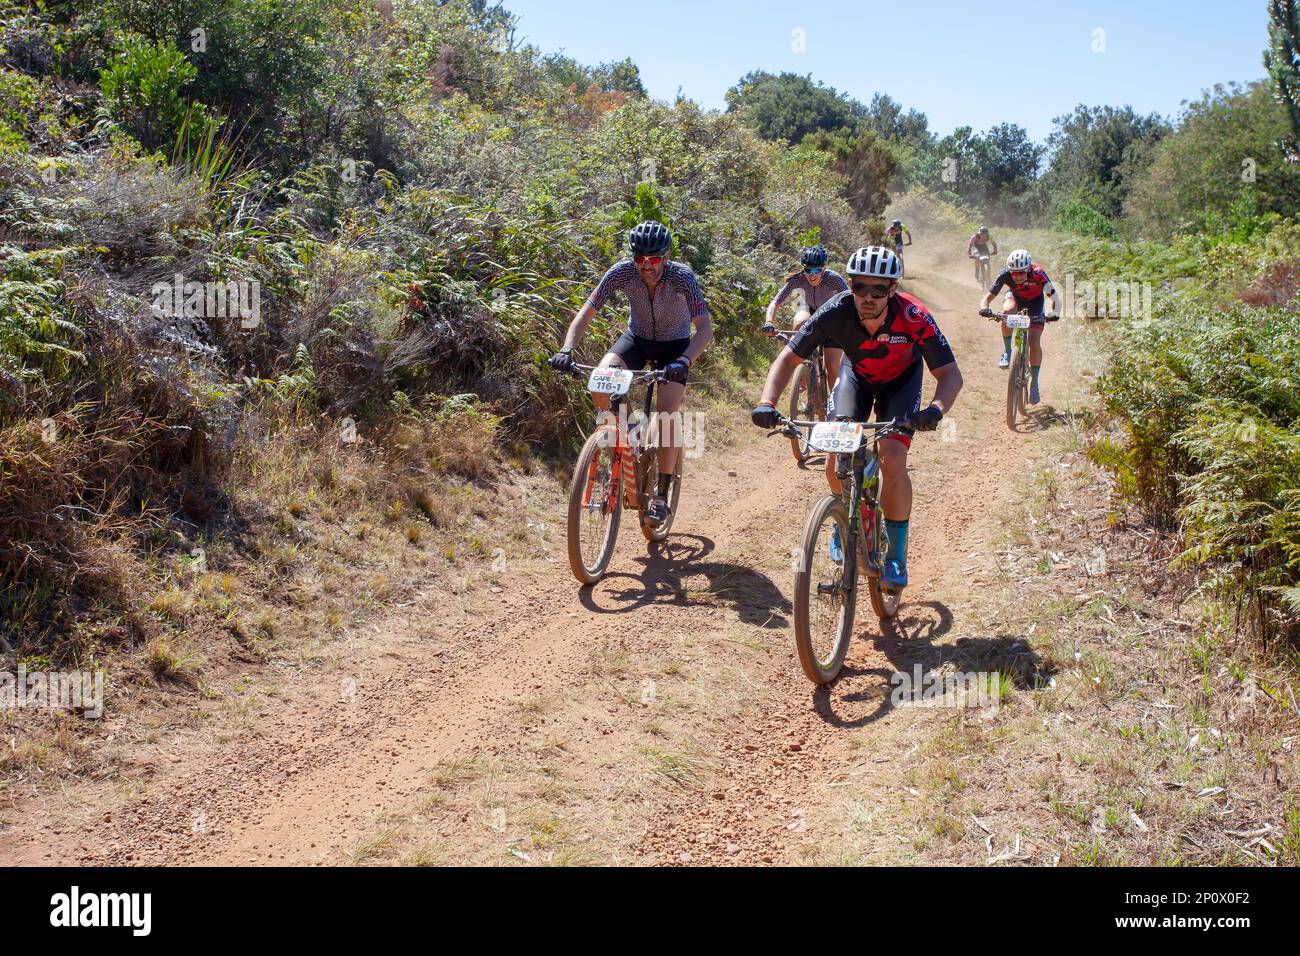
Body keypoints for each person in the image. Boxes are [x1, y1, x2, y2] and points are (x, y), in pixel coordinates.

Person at [749, 246, 963, 589]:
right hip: (856, 379)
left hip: (901, 383)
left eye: (878, 290)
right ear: (849, 284)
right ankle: (843, 519)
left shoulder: (913, 315)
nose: (868, 297)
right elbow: (787, 360)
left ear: (892, 290)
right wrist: (767, 402)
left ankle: (895, 555)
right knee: (836, 459)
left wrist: (936, 410)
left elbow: (950, 374)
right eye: (860, 287)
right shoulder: (836, 311)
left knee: (892, 459)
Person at [548, 221, 713, 527]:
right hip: (636, 339)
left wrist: (685, 361)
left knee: (666, 414)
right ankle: (624, 434)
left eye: (653, 260)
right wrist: (567, 349)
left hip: (674, 346)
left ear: (665, 256)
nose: (646, 266)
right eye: (640, 259)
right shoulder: (621, 272)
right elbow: (586, 312)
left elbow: (704, 329)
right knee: (599, 380)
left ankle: (662, 494)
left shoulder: (682, 277)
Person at [761, 244, 849, 396]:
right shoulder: (798, 279)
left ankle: (838, 404)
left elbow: (851, 299)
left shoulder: (833, 279)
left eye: (817, 270)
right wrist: (769, 322)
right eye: (808, 270)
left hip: (832, 315)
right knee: (800, 321)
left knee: (832, 366)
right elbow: (776, 302)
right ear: (804, 269)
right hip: (811, 312)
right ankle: (804, 369)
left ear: (824, 268)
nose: (812, 275)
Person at [978, 248, 1062, 405]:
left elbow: (1055, 297)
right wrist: (985, 308)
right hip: (1015, 299)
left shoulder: (1038, 273)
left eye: (1021, 273)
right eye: (1014, 273)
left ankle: (1035, 384)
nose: (1017, 276)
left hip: (1036, 304)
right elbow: (987, 298)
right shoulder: (1005, 274)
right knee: (1006, 313)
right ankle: (1008, 352)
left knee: (1034, 342)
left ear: (1029, 268)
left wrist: (1054, 313)